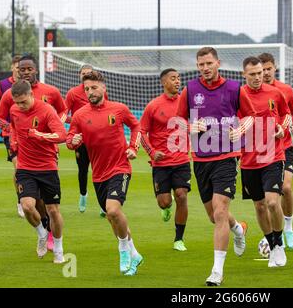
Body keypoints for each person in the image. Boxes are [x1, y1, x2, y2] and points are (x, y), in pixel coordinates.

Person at [176, 46, 256, 286]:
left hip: (226, 157)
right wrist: (189, 127)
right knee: (214, 216)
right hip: (201, 159)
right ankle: (238, 229)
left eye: (208, 63)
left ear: (218, 63)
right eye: (201, 65)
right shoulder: (190, 89)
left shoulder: (233, 88)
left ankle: (217, 271)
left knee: (220, 211)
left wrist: (241, 130)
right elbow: (178, 119)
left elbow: (250, 115)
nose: (205, 68)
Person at [66, 71, 143, 276]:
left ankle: (123, 250)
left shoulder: (118, 109)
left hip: (120, 168)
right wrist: (72, 142)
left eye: (93, 88)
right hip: (98, 174)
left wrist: (133, 148)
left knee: (113, 210)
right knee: (113, 218)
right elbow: (70, 138)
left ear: (103, 87)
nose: (90, 92)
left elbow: (136, 126)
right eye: (87, 89)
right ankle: (134, 253)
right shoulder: (80, 115)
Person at [0, 54, 67, 252]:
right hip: (20, 144)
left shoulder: (50, 92)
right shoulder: (9, 94)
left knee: (46, 201)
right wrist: (10, 130)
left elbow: (63, 111)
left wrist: (54, 126)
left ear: (36, 69)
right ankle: (24, 205)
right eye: (22, 69)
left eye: (29, 69)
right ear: (17, 70)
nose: (25, 72)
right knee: (22, 175)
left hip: (46, 148)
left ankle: (49, 230)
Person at [240, 56, 290, 267]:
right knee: (260, 206)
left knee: (272, 202)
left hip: (273, 156)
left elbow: (286, 115)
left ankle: (278, 244)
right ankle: (271, 243)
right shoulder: (238, 96)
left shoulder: (275, 93)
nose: (258, 77)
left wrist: (282, 128)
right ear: (244, 75)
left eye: (260, 73)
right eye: (252, 74)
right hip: (249, 160)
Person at [9, 80, 66, 263]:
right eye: (17, 102)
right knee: (26, 206)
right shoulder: (14, 110)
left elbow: (62, 136)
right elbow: (14, 128)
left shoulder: (47, 110)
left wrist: (39, 135)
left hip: (48, 167)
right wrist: (14, 143)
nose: (20, 106)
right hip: (25, 168)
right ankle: (42, 233)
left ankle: (58, 249)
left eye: (23, 102)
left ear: (31, 95)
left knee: (53, 210)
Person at [140, 68, 190, 251]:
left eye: (178, 78)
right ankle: (166, 207)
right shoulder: (153, 106)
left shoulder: (187, 104)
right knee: (165, 201)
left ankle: (179, 239)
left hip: (182, 160)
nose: (177, 81)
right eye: (173, 78)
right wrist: (152, 153)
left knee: (181, 195)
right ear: (163, 82)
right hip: (161, 163)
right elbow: (141, 132)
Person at [258, 53, 293, 250]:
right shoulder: (251, 92)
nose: (265, 73)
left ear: (274, 68)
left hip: (285, 147)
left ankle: (289, 227)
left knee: (286, 188)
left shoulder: (285, 90)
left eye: (268, 69)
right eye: (262, 69)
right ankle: (273, 235)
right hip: (262, 150)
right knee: (268, 199)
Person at [65, 64, 108, 216]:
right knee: (83, 169)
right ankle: (83, 194)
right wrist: (72, 124)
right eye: (83, 73)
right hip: (80, 139)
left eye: (88, 73)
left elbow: (105, 110)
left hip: (97, 138)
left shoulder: (100, 92)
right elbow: (64, 113)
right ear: (79, 76)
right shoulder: (72, 93)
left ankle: (104, 204)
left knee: (100, 170)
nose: (85, 75)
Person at [0, 54, 24, 217]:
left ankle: (32, 198)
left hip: (28, 134)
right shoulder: (3, 85)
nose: (20, 69)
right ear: (12, 67)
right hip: (10, 135)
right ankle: (20, 200)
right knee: (18, 166)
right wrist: (6, 125)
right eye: (18, 66)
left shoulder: (28, 86)